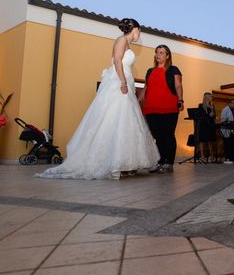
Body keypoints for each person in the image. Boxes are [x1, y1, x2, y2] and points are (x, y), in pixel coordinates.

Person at [38, 18, 159, 179]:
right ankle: (114, 163)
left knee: (126, 122)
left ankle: (125, 163)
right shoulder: (121, 40)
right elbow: (117, 60)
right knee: (116, 119)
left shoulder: (128, 43)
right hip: (119, 83)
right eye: (139, 31)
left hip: (126, 83)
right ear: (135, 29)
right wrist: (123, 81)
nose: (139, 35)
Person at [138, 44, 183, 173]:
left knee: (168, 135)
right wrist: (139, 99)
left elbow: (178, 85)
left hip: (169, 106)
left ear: (167, 56)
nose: (158, 55)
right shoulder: (150, 71)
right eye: (157, 52)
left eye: (162, 52)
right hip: (151, 107)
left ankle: (169, 163)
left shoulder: (173, 69)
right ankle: (160, 161)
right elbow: (146, 87)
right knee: (157, 136)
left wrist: (180, 100)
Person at [197, 92, 216, 161]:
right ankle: (202, 156)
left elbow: (214, 116)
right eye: (210, 97)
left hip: (211, 125)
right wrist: (209, 115)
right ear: (207, 97)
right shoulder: (201, 106)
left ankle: (211, 156)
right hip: (203, 125)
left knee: (210, 141)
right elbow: (200, 116)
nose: (211, 98)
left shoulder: (212, 105)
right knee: (202, 140)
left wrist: (214, 115)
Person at [219, 99, 234, 164]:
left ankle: (232, 157)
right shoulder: (225, 110)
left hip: (232, 128)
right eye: (233, 103)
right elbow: (223, 119)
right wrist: (230, 121)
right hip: (226, 129)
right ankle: (227, 158)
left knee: (233, 142)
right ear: (229, 103)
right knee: (227, 143)